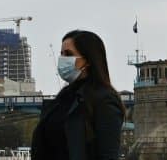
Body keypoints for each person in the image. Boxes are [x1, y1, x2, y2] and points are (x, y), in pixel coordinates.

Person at [31, 30, 125, 160]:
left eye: (69, 54)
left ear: (88, 60)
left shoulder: (104, 99)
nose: (63, 59)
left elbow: (107, 154)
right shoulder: (62, 98)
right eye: (62, 54)